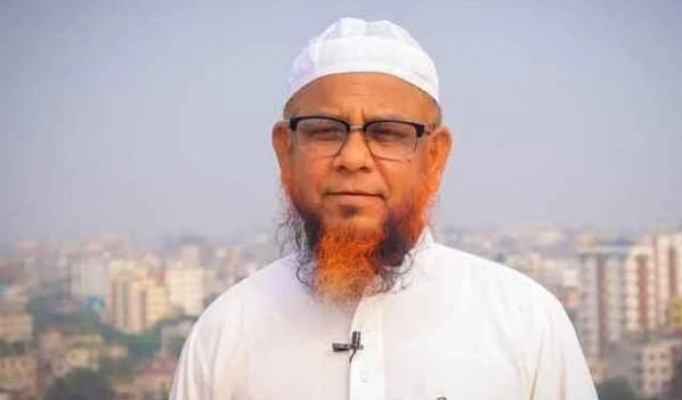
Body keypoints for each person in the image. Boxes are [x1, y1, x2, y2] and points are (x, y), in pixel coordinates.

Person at [170, 17, 598, 400]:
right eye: (325, 131)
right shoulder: (225, 332)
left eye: (388, 133)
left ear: (434, 157)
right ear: (286, 151)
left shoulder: (526, 322)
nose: (353, 157)